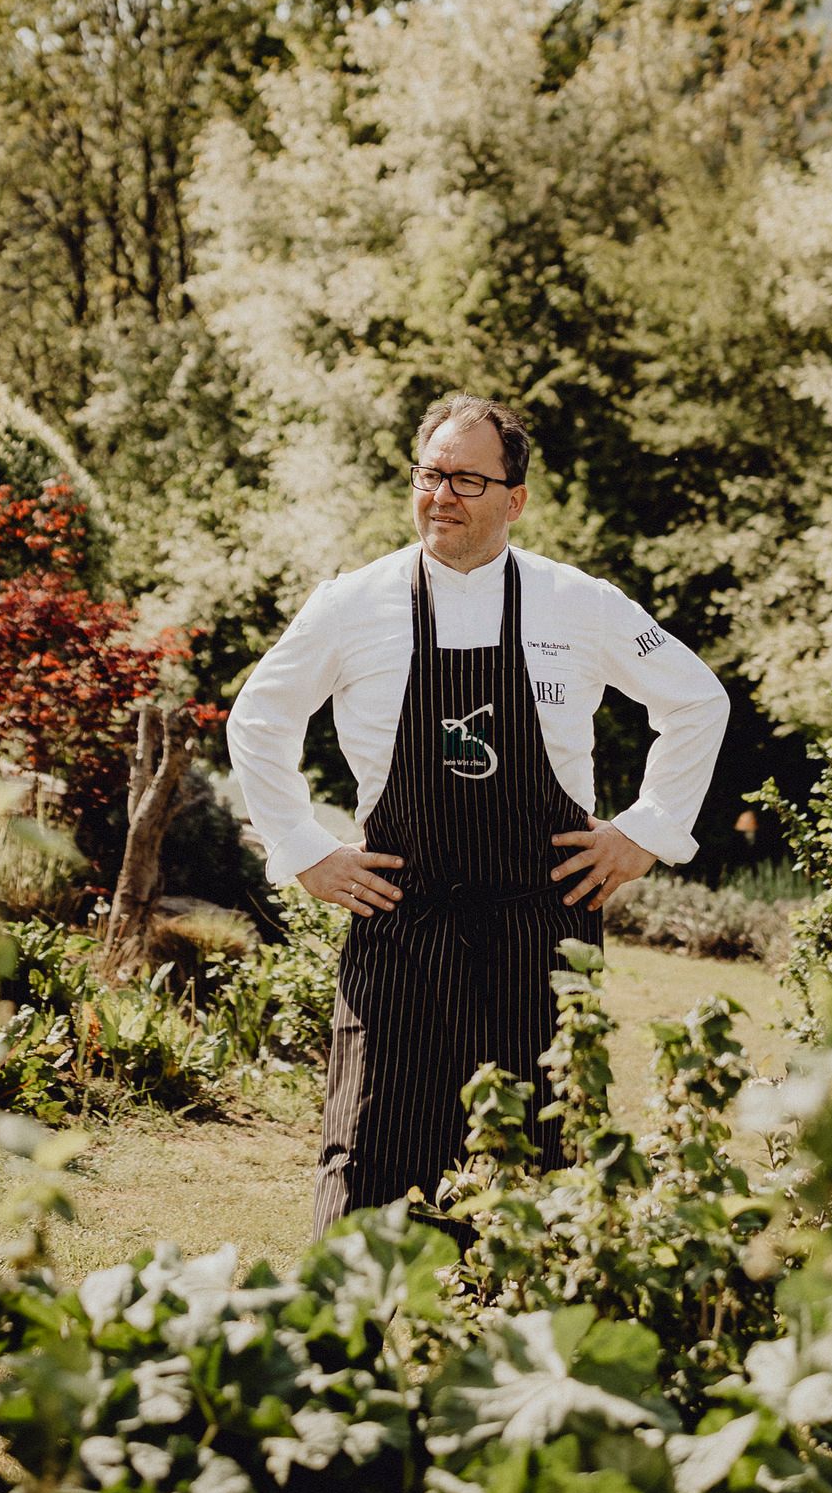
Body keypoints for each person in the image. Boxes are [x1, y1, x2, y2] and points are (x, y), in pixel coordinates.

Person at [225, 392, 731, 1232]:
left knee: (541, 1160)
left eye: (467, 478)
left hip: (544, 923)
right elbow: (260, 717)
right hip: (402, 922)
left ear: (515, 498)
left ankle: (513, 1348)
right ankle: (352, 1355)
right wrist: (304, 848)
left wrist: (646, 830)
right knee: (369, 1150)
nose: (441, 495)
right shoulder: (352, 603)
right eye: (430, 474)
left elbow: (697, 700)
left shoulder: (582, 602)